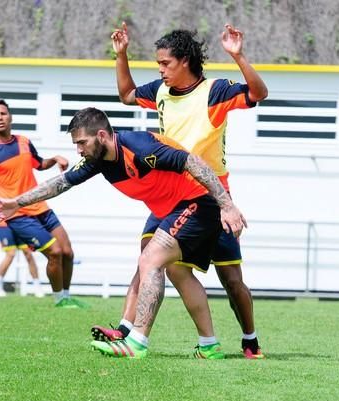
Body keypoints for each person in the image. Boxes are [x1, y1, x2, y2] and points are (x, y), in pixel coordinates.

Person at [0, 107, 247, 359]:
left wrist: (227, 205)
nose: (79, 150)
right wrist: (16, 203)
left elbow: (194, 162)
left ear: (101, 136)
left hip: (199, 202)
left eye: (82, 142)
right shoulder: (97, 160)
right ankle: (209, 345)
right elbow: (61, 183)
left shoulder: (140, 149)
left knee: (150, 260)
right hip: (174, 209)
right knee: (177, 270)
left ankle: (136, 342)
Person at [93, 23, 268, 358]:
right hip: (171, 198)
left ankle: (250, 339)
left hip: (211, 199)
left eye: (165, 64)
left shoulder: (214, 92)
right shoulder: (160, 90)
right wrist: (121, 56)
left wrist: (238, 56)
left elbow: (258, 94)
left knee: (231, 279)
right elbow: (127, 95)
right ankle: (127, 331)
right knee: (148, 259)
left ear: (185, 60)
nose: (160, 70)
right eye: (158, 64)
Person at [0, 100, 86, 308]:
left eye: (3, 113)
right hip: (17, 215)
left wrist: (54, 159)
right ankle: (59, 300)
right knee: (54, 252)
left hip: (41, 208)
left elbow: (39, 164)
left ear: (10, 117)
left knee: (67, 251)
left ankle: (66, 296)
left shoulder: (24, 142)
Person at [0, 222, 40, 298]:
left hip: (20, 223)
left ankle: (37, 287)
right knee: (11, 254)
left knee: (28, 253)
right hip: (3, 224)